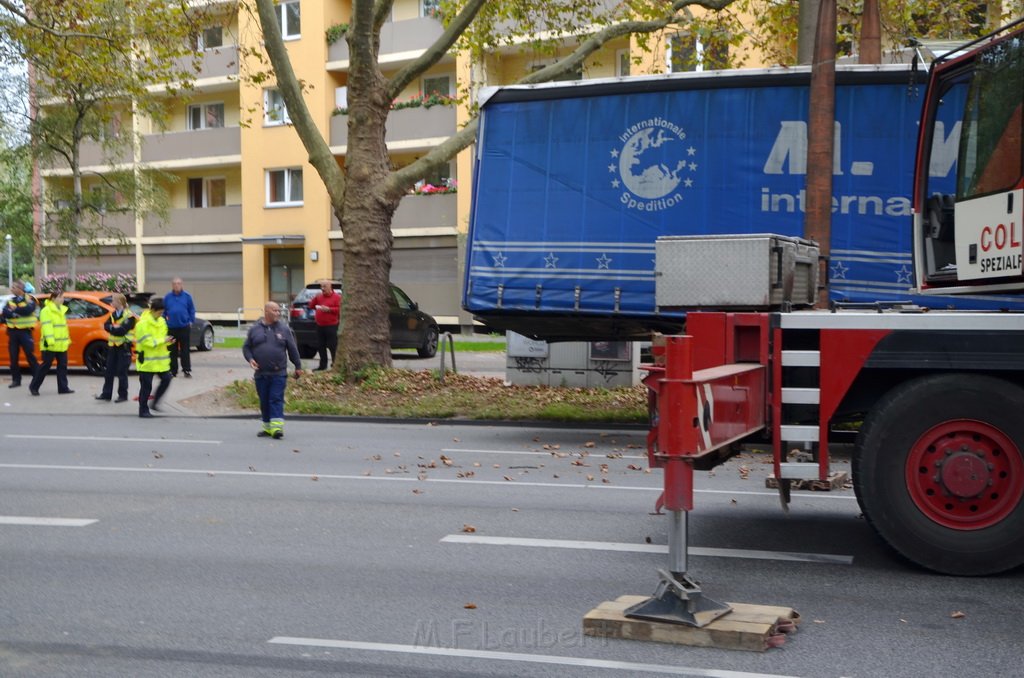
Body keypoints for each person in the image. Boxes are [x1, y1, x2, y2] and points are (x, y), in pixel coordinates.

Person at [243, 301, 303, 439]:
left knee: (275, 399)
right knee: (264, 400)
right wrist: (250, 359)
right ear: (266, 312)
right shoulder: (255, 329)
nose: (278, 313)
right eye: (275, 311)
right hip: (261, 373)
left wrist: (298, 366)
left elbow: (292, 349)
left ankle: (277, 429)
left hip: (278, 373)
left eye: (278, 311)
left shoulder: (284, 329)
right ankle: (267, 427)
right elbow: (246, 348)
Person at [28, 289, 74, 396]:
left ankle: (63, 388)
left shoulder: (61, 310)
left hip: (61, 344)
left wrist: (67, 340)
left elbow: (63, 328)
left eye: (63, 297)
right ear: (53, 298)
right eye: (60, 297)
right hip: (50, 344)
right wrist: (50, 341)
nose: (62, 299)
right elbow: (47, 327)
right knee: (45, 366)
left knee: (62, 366)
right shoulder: (46, 311)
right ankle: (34, 386)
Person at [135, 297, 174, 418]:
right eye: (159, 312)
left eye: (162, 312)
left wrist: (168, 341)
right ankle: (143, 410)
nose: (161, 314)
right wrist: (163, 340)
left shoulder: (161, 321)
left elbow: (162, 338)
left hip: (160, 361)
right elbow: (147, 341)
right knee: (146, 387)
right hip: (146, 360)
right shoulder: (142, 323)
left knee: (167, 379)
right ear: (152, 310)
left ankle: (155, 402)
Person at [96, 292, 136, 403]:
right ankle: (106, 394)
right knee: (108, 371)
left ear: (119, 302)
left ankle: (122, 395)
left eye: (113, 300)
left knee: (121, 372)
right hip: (113, 347)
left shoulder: (129, 316)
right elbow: (106, 325)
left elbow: (123, 330)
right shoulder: (113, 314)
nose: (111, 302)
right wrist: (114, 328)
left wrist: (113, 328)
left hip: (124, 347)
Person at [2, 279, 40, 388]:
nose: (11, 289)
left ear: (20, 289)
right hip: (13, 332)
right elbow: (5, 313)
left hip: (25, 332)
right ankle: (16, 380)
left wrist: (14, 311)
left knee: (30, 355)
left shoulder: (30, 299)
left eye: (13, 287)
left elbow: (28, 310)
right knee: (13, 358)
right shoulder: (10, 300)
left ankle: (38, 377)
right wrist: (16, 312)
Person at [164, 277, 195, 378]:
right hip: (171, 327)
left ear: (182, 285)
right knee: (172, 350)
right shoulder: (167, 297)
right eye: (174, 284)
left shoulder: (187, 296)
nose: (176, 285)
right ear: (172, 285)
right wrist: (164, 321)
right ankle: (173, 371)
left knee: (185, 350)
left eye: (178, 283)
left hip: (184, 327)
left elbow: (192, 310)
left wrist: (191, 321)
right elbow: (164, 311)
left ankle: (186, 370)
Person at [309, 279, 340, 371]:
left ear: (330, 287)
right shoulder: (319, 296)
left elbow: (340, 309)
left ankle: (335, 364)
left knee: (332, 345)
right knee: (320, 345)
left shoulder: (337, 297)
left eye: (324, 286)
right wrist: (315, 300)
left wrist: (329, 309)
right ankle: (323, 365)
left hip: (332, 325)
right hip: (320, 325)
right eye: (321, 287)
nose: (322, 289)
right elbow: (311, 305)